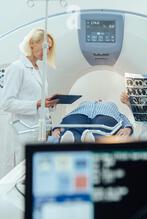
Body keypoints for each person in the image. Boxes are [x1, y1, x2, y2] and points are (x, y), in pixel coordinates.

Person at [0, 28, 58, 163]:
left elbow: (38, 100)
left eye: (49, 48)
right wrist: (36, 104)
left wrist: (50, 103)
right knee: (21, 175)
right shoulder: (17, 68)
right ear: (32, 43)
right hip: (22, 132)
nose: (47, 51)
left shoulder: (39, 70)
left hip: (39, 131)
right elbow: (6, 103)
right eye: (45, 46)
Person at [51, 100, 133, 143]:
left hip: (105, 116)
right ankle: (71, 138)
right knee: (72, 126)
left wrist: (128, 128)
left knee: (99, 131)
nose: (98, 100)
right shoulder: (83, 104)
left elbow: (122, 117)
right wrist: (57, 128)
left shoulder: (111, 105)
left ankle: (93, 138)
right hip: (79, 114)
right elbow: (68, 115)